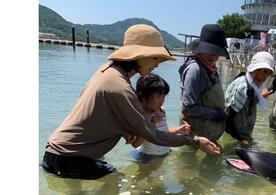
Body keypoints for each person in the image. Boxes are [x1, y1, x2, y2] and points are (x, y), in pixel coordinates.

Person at [42, 24, 220, 180]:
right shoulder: (121, 88)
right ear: (139, 55)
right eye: (155, 57)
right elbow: (154, 136)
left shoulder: (107, 70)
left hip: (58, 151)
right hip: (70, 158)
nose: (158, 64)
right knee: (114, 181)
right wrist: (194, 140)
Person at [179, 24, 230, 143]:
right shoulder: (195, 70)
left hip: (208, 133)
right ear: (201, 49)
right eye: (211, 52)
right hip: (197, 135)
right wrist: (216, 114)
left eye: (217, 53)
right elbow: (188, 108)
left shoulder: (210, 67)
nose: (214, 57)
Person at [129, 73, 191, 162]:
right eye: (158, 97)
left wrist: (177, 130)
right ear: (143, 97)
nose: (162, 100)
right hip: (148, 156)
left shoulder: (161, 111)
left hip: (164, 152)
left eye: (164, 96)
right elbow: (135, 143)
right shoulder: (141, 116)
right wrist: (151, 123)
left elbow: (163, 131)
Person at [224, 51, 275, 145]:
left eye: (265, 71)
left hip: (241, 134)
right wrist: (240, 139)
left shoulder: (253, 86)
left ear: (269, 74)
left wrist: (260, 96)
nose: (261, 74)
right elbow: (228, 118)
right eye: (258, 70)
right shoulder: (243, 88)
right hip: (234, 135)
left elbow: (246, 102)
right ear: (252, 69)